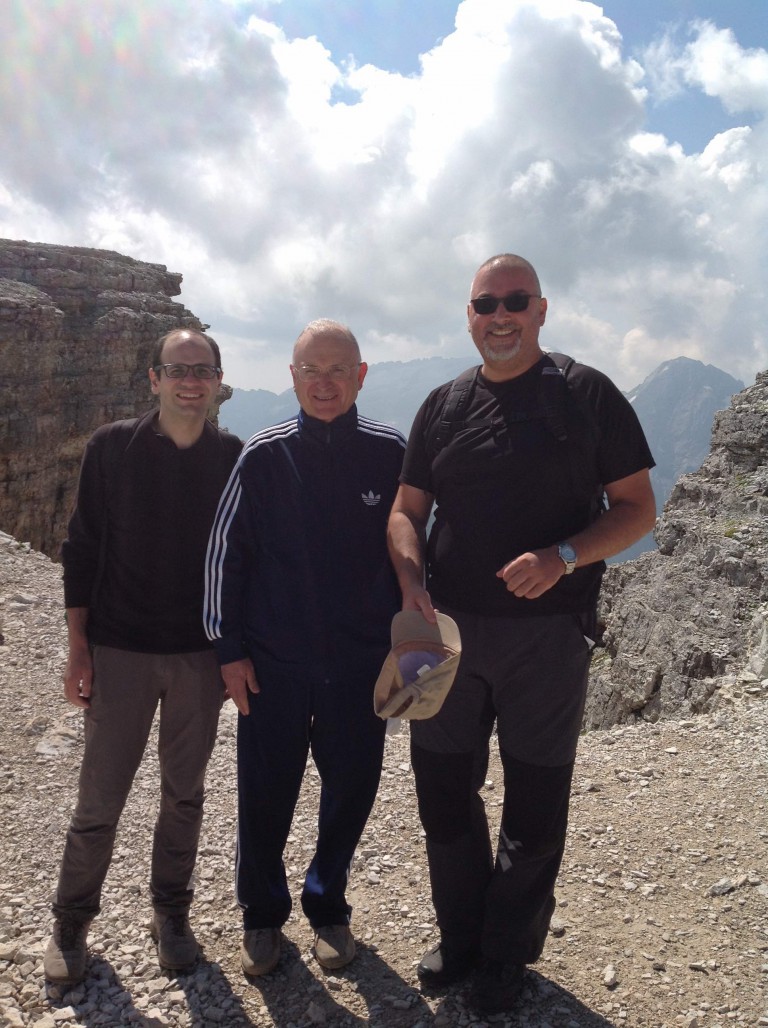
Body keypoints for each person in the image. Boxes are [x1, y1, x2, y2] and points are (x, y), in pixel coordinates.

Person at [387, 254, 656, 1014]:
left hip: (548, 634)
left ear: (541, 310)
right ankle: (462, 937)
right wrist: (410, 580)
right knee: (443, 791)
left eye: (514, 301)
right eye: (486, 304)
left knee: (534, 802)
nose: (499, 316)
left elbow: (638, 508)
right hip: (442, 633)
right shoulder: (443, 405)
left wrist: (562, 556)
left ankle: (506, 955)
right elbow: (407, 510)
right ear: (469, 316)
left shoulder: (586, 394)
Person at [203, 319, 405, 977]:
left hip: (361, 664)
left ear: (360, 376)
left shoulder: (390, 453)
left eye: (337, 370)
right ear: (291, 378)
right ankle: (262, 917)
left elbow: (417, 550)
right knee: (265, 793)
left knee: (351, 790)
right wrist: (228, 650)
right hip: (272, 665)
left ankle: (328, 905)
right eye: (310, 371)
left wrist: (417, 645)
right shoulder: (262, 455)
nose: (323, 384)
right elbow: (225, 557)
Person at [44, 328, 242, 985]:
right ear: (153, 379)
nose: (191, 381)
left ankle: (171, 913)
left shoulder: (233, 458)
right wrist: (78, 649)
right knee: (100, 797)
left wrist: (233, 652)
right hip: (120, 650)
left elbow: (243, 562)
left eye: (202, 370)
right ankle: (71, 923)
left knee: (184, 796)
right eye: (177, 370)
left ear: (217, 382)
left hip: (198, 657)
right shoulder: (111, 448)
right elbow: (81, 548)